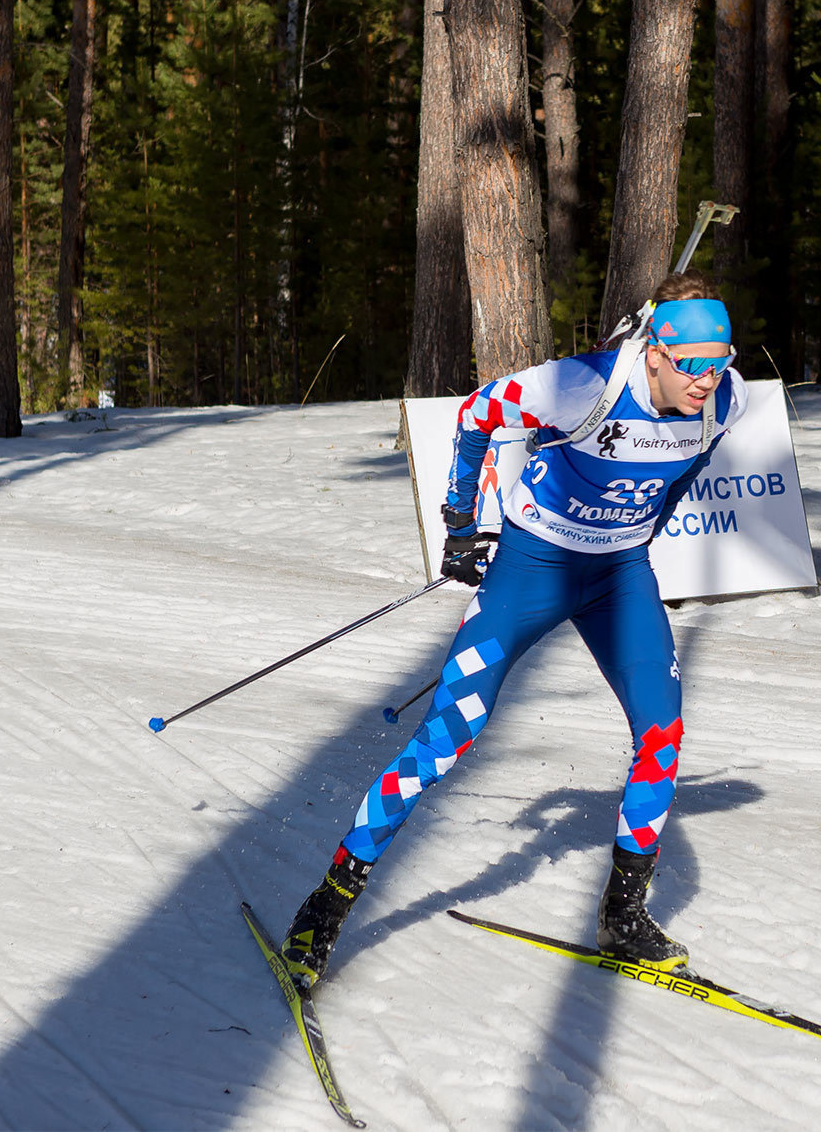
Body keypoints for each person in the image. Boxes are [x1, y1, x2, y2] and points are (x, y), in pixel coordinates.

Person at [279, 273, 746, 991]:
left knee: (662, 729)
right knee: (451, 732)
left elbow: (685, 469)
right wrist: (462, 522)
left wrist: (637, 530)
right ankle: (329, 902)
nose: (708, 378)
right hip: (532, 564)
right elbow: (475, 413)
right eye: (693, 363)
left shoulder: (723, 401)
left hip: (618, 572)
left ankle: (622, 915)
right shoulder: (579, 385)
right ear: (654, 351)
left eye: (721, 359)